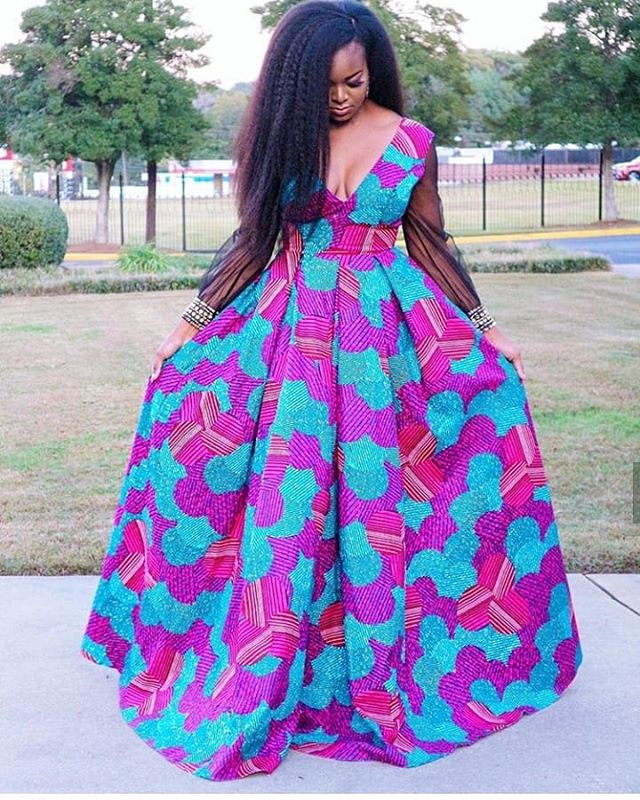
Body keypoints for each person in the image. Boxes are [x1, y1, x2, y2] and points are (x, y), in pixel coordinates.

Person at [80, 0, 583, 783]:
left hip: (381, 344)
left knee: (386, 494)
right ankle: (246, 646)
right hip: (288, 335)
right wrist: (188, 325)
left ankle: (398, 657)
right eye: (327, 84)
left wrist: (486, 330)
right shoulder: (289, 136)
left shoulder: (410, 141)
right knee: (278, 497)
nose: (342, 97)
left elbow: (430, 243)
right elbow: (253, 242)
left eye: (355, 81)